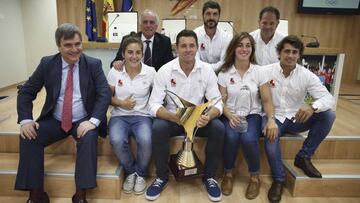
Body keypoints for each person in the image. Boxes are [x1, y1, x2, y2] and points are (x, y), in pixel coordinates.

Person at [15, 23, 111, 203]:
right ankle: (36, 195)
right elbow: (26, 92)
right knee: (28, 135)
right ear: (58, 46)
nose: (75, 49)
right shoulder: (47, 63)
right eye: (68, 45)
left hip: (83, 119)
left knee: (90, 136)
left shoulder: (93, 64)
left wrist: (93, 121)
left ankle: (81, 195)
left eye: (78, 44)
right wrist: (26, 120)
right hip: (55, 119)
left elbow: (104, 94)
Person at [145, 30, 225, 202]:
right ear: (176, 48)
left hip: (198, 120)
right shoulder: (165, 71)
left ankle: (209, 177)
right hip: (174, 118)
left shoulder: (207, 70)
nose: (188, 50)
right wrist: (173, 117)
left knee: (218, 127)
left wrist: (209, 116)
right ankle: (161, 177)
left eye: (191, 46)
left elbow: (217, 102)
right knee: (158, 127)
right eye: (183, 46)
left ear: (197, 48)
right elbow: (153, 105)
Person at [262, 35, 336, 203]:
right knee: (271, 140)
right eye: (286, 51)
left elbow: (328, 99)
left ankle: (303, 156)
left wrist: (312, 106)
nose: (290, 55)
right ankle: (279, 180)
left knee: (328, 115)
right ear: (279, 53)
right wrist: (269, 119)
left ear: (299, 55)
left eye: (295, 52)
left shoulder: (306, 75)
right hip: (273, 117)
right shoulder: (266, 71)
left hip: (297, 118)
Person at [217, 32, 277, 199]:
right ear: (233, 48)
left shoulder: (259, 71)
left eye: (248, 45)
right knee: (231, 137)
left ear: (252, 49)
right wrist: (229, 116)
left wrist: (271, 120)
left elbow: (266, 100)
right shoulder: (224, 72)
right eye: (240, 45)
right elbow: (221, 101)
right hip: (230, 114)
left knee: (249, 139)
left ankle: (254, 177)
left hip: (252, 114)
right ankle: (228, 174)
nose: (244, 49)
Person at [107, 34, 156, 195]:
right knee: (115, 139)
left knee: (146, 139)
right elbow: (107, 97)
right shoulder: (115, 71)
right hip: (119, 116)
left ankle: (141, 173)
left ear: (142, 54)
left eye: (137, 52)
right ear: (123, 54)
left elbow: (157, 96)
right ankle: (131, 171)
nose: (134, 56)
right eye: (130, 52)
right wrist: (122, 103)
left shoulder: (151, 72)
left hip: (143, 116)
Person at [194, 0, 231, 72]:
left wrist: (207, 69)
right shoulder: (195, 35)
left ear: (219, 16)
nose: (211, 17)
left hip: (220, 74)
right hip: (199, 74)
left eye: (215, 14)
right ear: (203, 15)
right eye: (208, 14)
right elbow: (195, 61)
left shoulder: (226, 37)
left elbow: (224, 62)